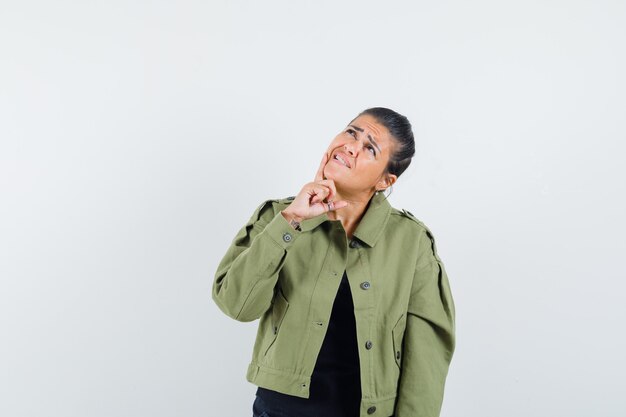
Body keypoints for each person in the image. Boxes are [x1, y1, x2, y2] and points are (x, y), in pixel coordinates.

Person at [212, 107, 456, 417]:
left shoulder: (412, 242)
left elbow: (427, 357)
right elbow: (237, 305)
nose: (351, 146)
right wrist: (291, 221)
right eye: (352, 132)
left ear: (385, 180)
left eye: (370, 147)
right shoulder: (279, 217)